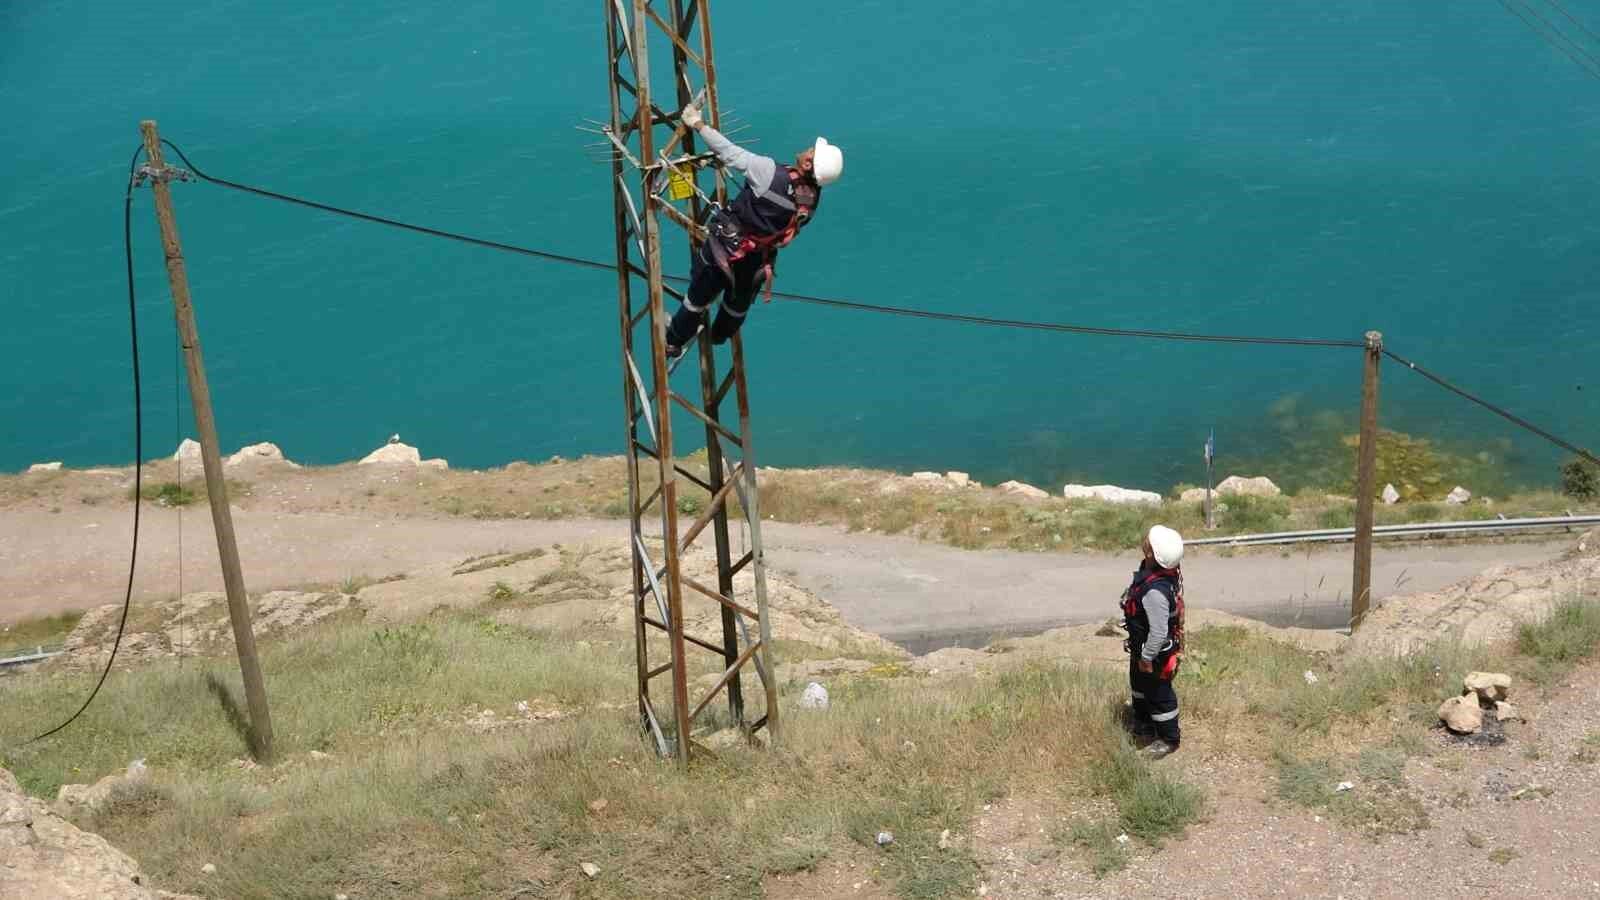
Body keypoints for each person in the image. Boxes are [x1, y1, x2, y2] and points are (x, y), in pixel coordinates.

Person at [663, 100, 844, 358]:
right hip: (756, 260)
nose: (807, 150)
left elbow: (729, 152)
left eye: (810, 152)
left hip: (724, 250)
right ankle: (719, 335)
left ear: (807, 165)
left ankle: (674, 341)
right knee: (737, 304)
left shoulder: (769, 172)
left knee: (697, 298)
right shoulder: (811, 201)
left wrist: (697, 123)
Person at [1122, 524, 1186, 758]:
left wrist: (1147, 657)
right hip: (1142, 649)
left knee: (1160, 694)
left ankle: (1169, 739)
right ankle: (1144, 724)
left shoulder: (1154, 593)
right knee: (1139, 686)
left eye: (1149, 540)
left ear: (1151, 553)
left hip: (1154, 654)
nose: (1145, 538)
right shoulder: (1153, 572)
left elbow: (1158, 633)